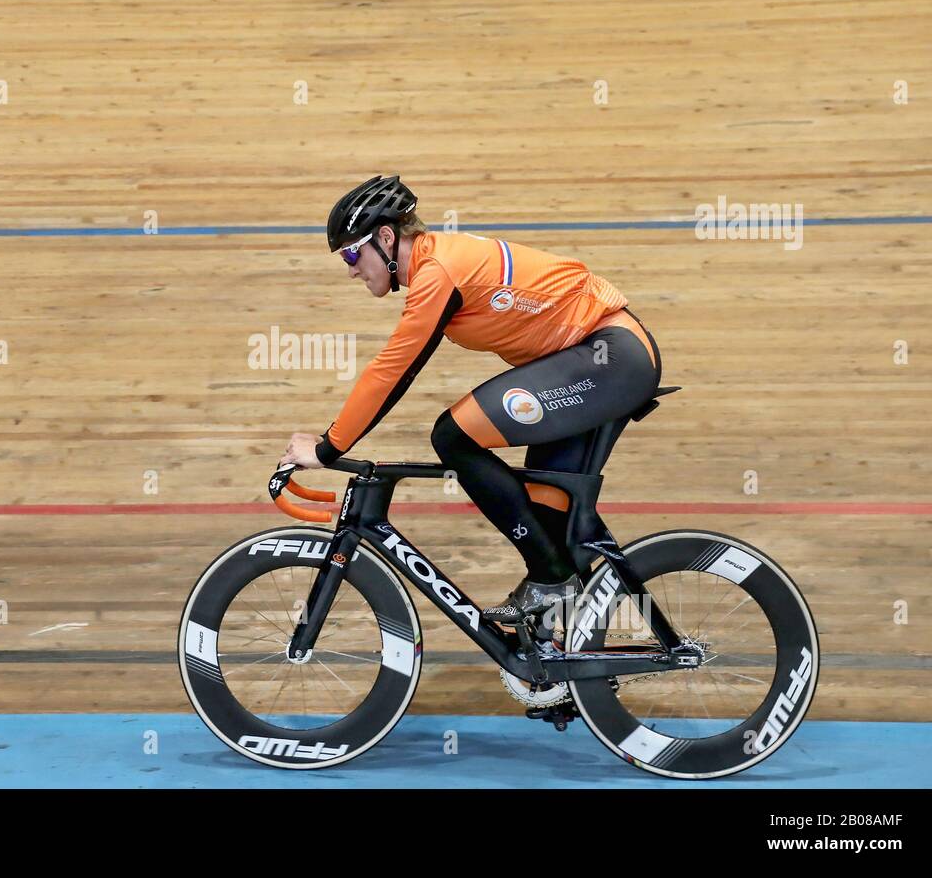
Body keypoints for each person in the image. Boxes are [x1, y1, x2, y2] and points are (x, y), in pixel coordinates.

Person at [279, 175, 662, 622]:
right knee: (547, 521)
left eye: (351, 253)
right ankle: (556, 662)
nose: (350, 269)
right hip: (597, 360)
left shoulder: (436, 272)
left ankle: (554, 579)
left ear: (385, 237)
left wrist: (328, 447)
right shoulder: (436, 260)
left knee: (454, 436)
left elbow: (393, 370)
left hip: (608, 358)